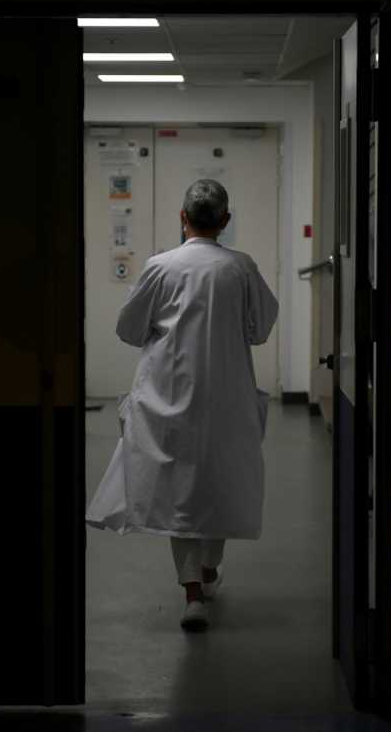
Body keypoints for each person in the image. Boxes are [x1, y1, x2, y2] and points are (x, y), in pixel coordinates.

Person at [86, 179, 279, 632]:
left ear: (182, 217)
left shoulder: (160, 267)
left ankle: (193, 590)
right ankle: (207, 573)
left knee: (181, 489)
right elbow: (261, 328)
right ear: (225, 222)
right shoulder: (242, 268)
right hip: (227, 397)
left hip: (167, 395)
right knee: (219, 483)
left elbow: (129, 329)